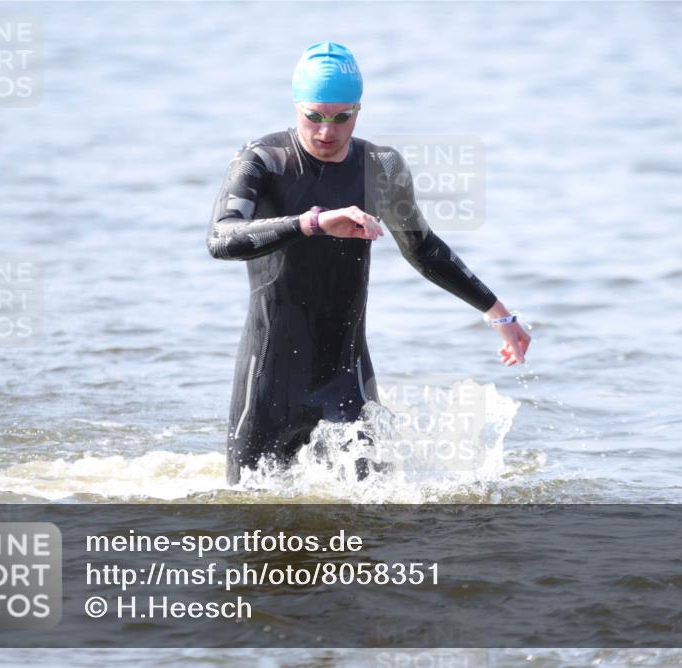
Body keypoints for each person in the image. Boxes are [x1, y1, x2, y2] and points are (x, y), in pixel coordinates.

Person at [207, 42, 531, 484]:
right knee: (250, 522)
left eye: (342, 116)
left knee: (373, 519)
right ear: (297, 106)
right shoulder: (263, 160)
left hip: (345, 377)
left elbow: (423, 248)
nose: (327, 131)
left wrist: (498, 313)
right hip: (268, 382)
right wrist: (313, 223)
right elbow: (221, 238)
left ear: (359, 110)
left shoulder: (380, 165)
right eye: (314, 116)